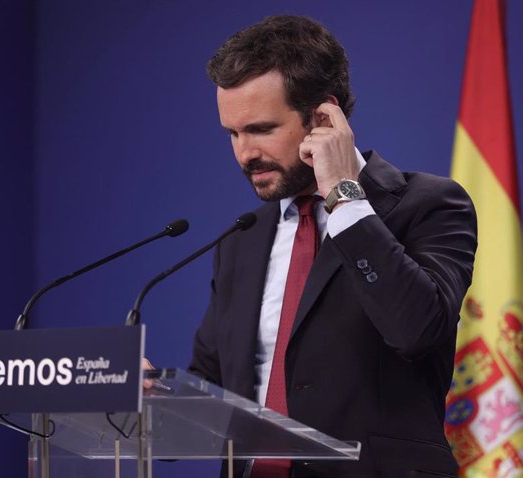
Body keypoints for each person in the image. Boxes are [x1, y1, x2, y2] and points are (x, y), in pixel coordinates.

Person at [187, 15, 477, 478]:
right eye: (232, 134)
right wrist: (146, 395)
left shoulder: (430, 205)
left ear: (324, 117)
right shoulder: (242, 239)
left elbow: (417, 330)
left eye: (261, 129)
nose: (244, 153)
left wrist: (344, 195)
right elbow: (213, 384)